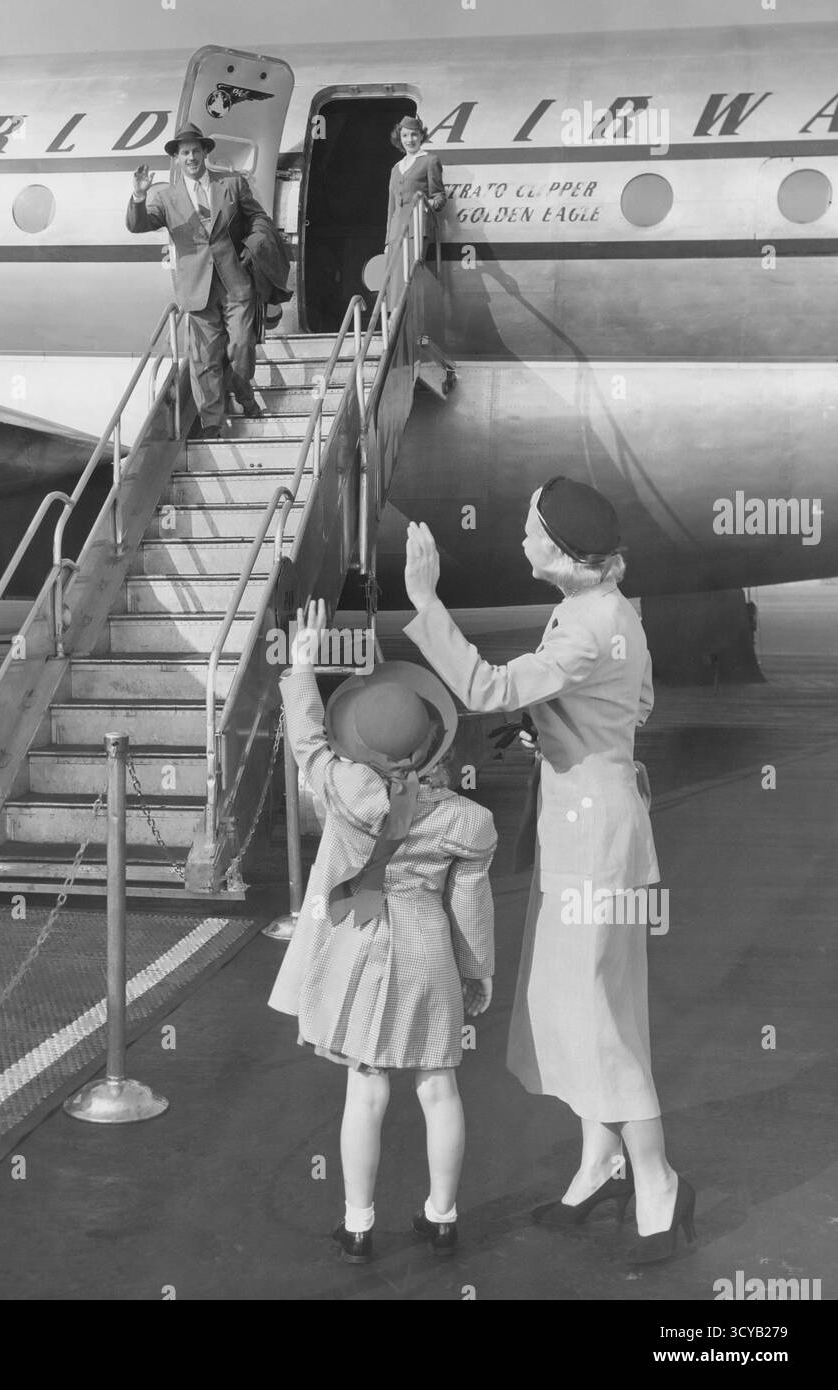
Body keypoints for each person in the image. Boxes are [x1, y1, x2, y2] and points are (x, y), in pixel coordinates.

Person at [401, 479, 695, 1266]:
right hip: (605, 822)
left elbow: (484, 690)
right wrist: (563, 732)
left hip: (590, 841)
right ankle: (600, 1164)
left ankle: (657, 1179)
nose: (521, 540)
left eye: (529, 531)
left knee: (593, 1014)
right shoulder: (612, 610)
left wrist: (425, 603)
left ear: (562, 555)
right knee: (593, 1002)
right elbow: (632, 708)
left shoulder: (585, 625)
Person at [268, 599, 496, 1264]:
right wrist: (476, 971)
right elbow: (470, 903)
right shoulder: (468, 820)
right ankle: (442, 1217)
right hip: (428, 952)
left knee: (365, 1089)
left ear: (358, 745)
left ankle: (359, 1225)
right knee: (438, 1085)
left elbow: (307, 740)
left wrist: (302, 663)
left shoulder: (343, 790)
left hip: (360, 947)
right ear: (432, 743)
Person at [126, 123, 274, 439]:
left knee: (242, 346)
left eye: (195, 150)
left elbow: (259, 218)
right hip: (196, 288)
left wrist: (254, 243)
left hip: (235, 281)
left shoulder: (232, 185)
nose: (191, 157)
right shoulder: (166, 198)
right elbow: (138, 225)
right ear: (177, 159)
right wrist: (139, 196)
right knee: (205, 360)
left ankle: (241, 388)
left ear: (206, 152)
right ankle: (213, 423)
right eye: (184, 153)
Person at [384, 115, 447, 290]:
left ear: (421, 136)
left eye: (414, 135)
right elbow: (391, 208)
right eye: (405, 135)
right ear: (399, 138)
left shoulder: (430, 161)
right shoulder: (396, 168)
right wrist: (387, 242)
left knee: (408, 281)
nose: (409, 140)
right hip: (396, 232)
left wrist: (426, 203)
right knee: (393, 285)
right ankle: (393, 317)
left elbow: (440, 198)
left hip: (416, 228)